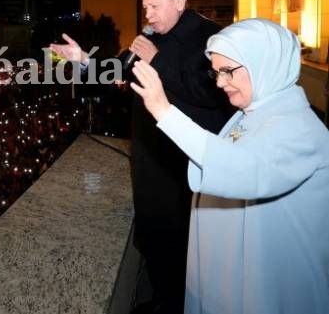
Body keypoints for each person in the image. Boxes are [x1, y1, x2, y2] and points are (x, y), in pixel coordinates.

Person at [51, 0, 233, 314]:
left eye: (155, 6)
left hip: (185, 165)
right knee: (155, 237)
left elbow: (212, 93)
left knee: (183, 243)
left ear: (180, 2)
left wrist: (157, 62)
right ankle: (163, 299)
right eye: (145, 6)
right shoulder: (149, 37)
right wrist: (83, 61)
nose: (147, 14)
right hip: (150, 156)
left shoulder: (211, 38)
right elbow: (117, 72)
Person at [130, 18, 329, 314]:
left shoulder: (298, 126)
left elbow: (244, 170)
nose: (220, 82)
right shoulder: (250, 112)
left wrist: (164, 111)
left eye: (228, 71)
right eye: (217, 72)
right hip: (230, 276)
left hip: (268, 285)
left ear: (265, 64)